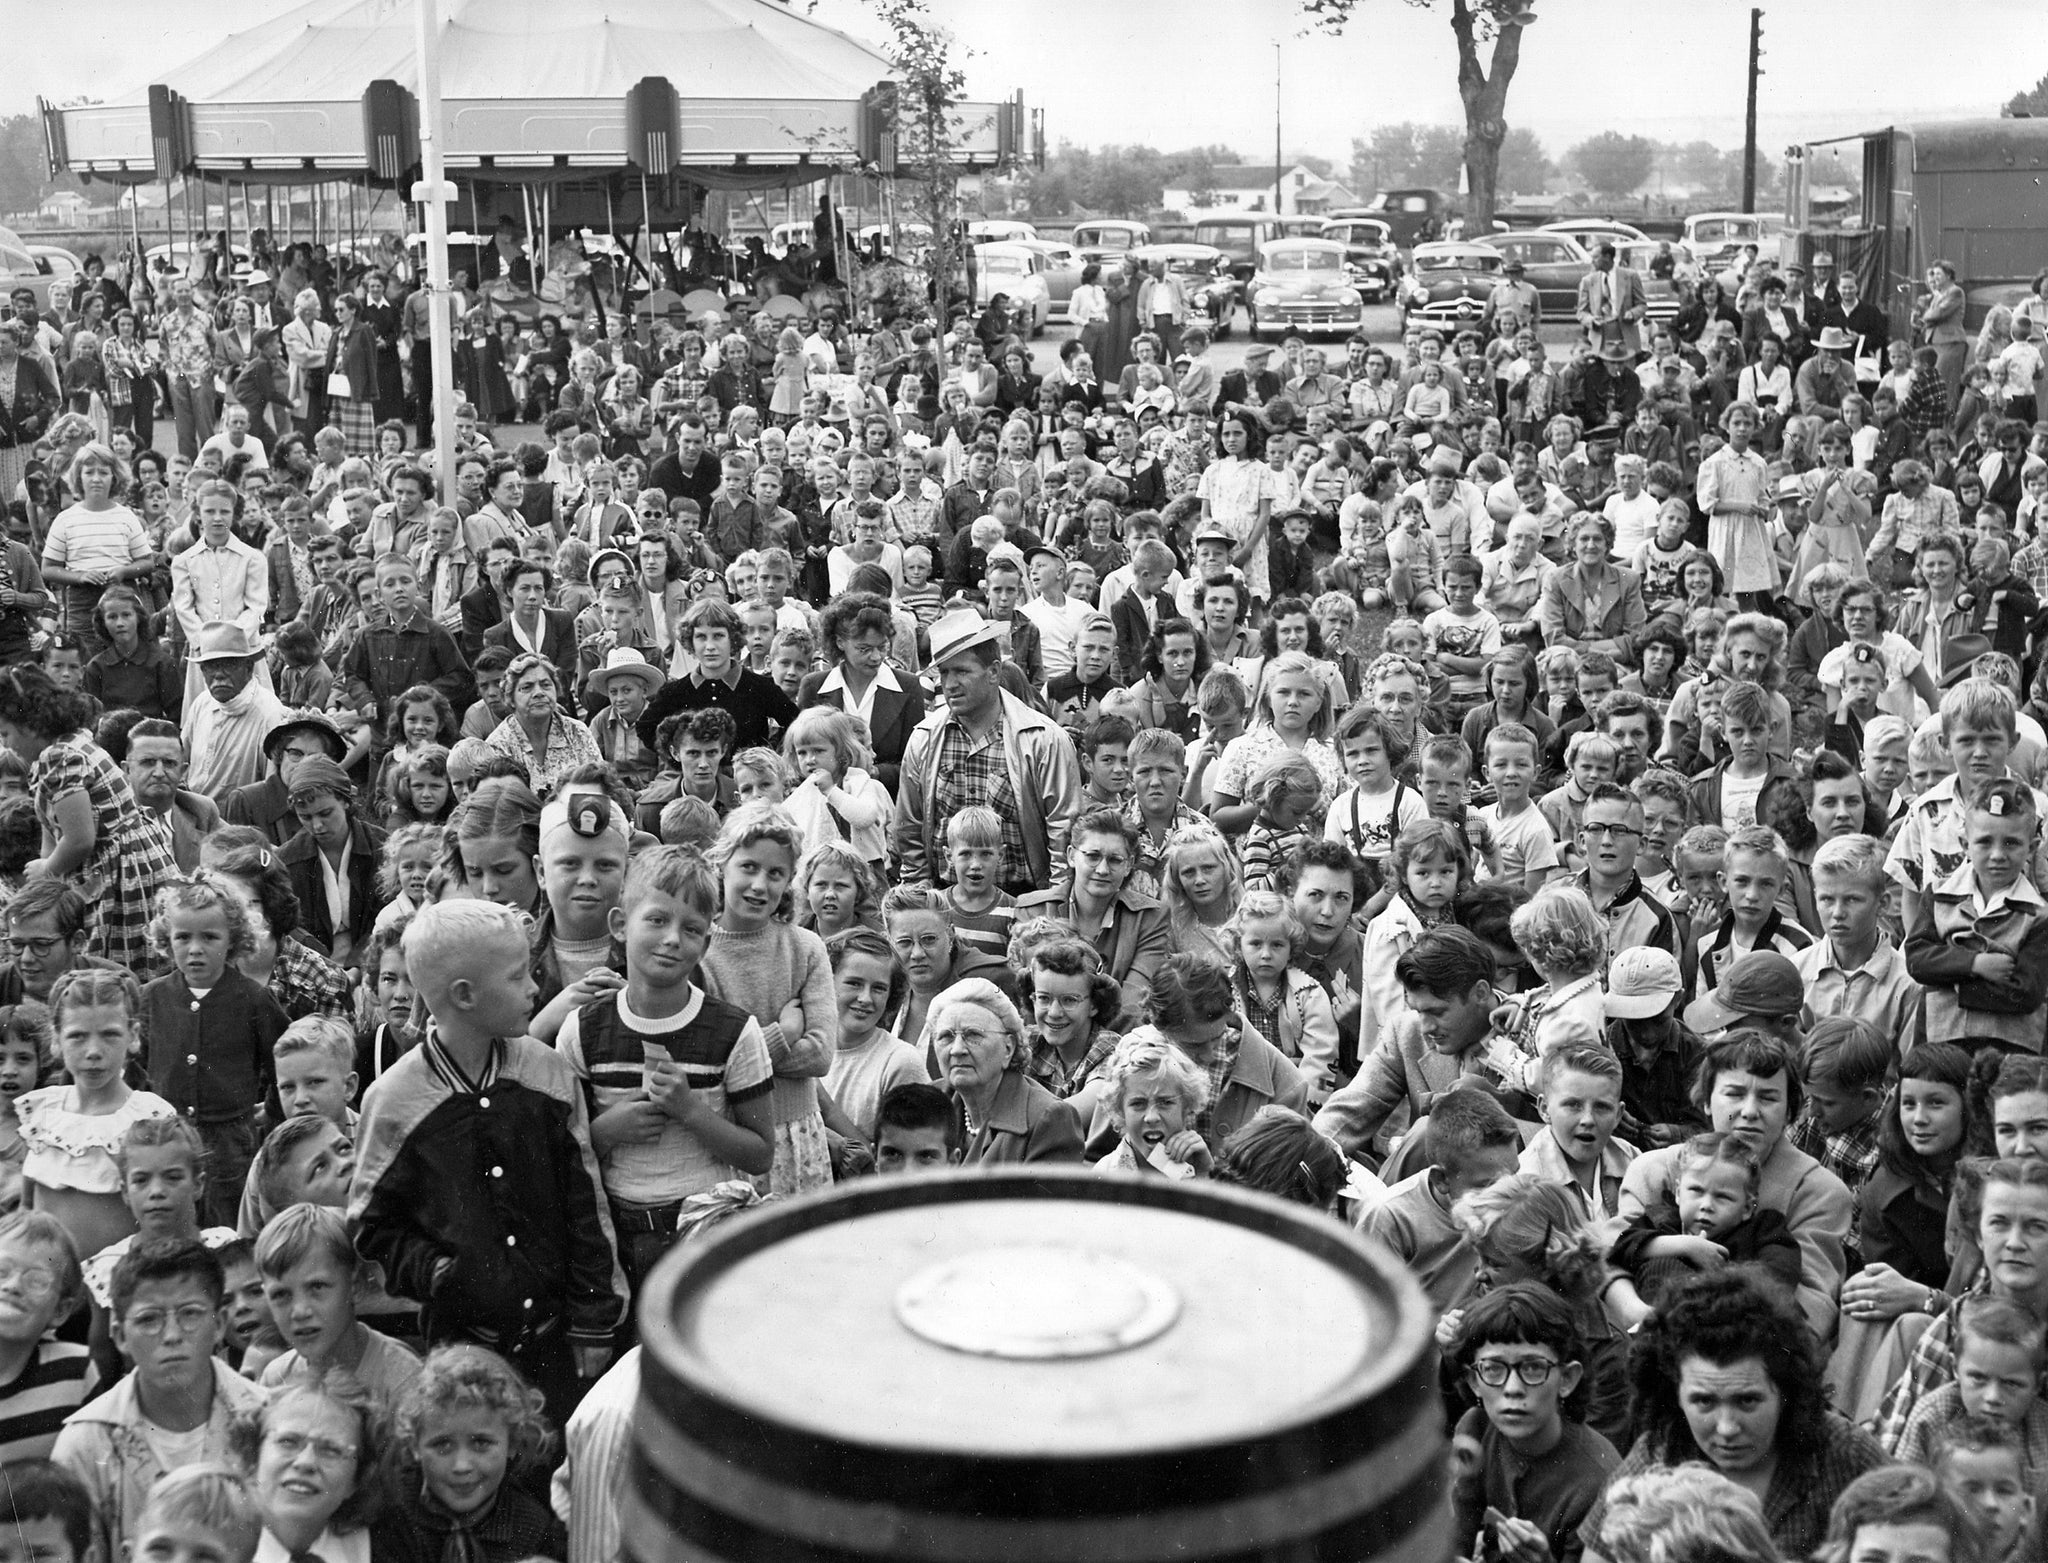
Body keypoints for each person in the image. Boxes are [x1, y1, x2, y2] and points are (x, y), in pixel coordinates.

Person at [349, 900, 625, 1419]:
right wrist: (438, 1273)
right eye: (519, 976)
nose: (534, 990)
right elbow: (371, 1225)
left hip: (558, 1343)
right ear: (465, 996)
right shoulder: (393, 1101)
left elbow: (586, 1204)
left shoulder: (548, 1075)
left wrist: (595, 1318)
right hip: (460, 1349)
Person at [559, 845, 774, 1294]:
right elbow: (564, 1151)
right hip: (615, 1231)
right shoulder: (583, 1030)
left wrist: (690, 1111)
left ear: (706, 944)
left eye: (691, 928)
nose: (673, 938)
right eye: (657, 920)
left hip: (704, 1228)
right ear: (620, 925)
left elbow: (759, 1154)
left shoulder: (735, 1033)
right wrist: (608, 1130)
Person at [1579, 1267, 1886, 1561]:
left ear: (1785, 1392)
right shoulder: (1655, 1456)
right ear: (1675, 1395)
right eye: (1704, 1402)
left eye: (1748, 1401)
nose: (1726, 1428)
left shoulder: (1846, 1452)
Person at [1617, 1028, 1852, 1338]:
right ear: (1705, 1101)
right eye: (1734, 1094)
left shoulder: (1819, 1192)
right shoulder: (1655, 1169)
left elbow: (1811, 1306)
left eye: (1768, 1097)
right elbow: (1613, 1256)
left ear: (1789, 1112)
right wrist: (1638, 1312)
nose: (1750, 1111)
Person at [52, 1238, 269, 1549]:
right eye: (149, 1319)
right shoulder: (85, 1443)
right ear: (120, 1336)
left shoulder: (267, 1420)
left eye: (190, 1314)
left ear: (219, 1323)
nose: (171, 1335)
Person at [894, 609, 1083, 896]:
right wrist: (921, 901)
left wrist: (1054, 904)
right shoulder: (924, 738)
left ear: (994, 672)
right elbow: (910, 832)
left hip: (1024, 899)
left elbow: (1063, 834)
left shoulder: (1043, 739)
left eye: (962, 671)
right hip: (945, 899)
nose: (949, 684)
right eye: (944, 672)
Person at [138, 874, 286, 1229]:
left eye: (209, 937)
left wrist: (270, 1113)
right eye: (183, 937)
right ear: (167, 939)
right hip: (166, 1139)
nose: (195, 949)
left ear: (232, 939)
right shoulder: (152, 997)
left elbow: (283, 1064)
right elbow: (137, 1066)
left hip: (230, 1144)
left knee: (227, 1225)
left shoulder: (253, 999)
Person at [1449, 1282, 1621, 1563]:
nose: (1513, 1388)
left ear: (1567, 1379)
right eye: (1493, 1368)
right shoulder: (1477, 1428)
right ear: (1474, 1381)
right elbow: (1459, 1535)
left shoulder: (1599, 1480)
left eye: (1533, 1367)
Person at [372, 1344, 568, 1563]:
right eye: (443, 1445)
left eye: (481, 1443)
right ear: (414, 1446)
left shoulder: (530, 1527)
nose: (462, 1466)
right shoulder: (392, 1512)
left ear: (512, 1442)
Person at [252, 1203, 421, 1406]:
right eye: (280, 1294)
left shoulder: (401, 1378)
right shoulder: (276, 1378)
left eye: (317, 1287)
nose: (299, 1312)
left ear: (355, 1284)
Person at [227, 1376, 386, 1563]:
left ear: (359, 1477)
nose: (306, 1462)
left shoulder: (385, 1549)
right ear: (253, 1456)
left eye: (331, 1450)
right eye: (288, 1441)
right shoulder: (208, 1545)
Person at [0, 1210, 94, 1461]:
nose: (13, 1286)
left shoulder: (76, 1371)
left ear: (60, 1311)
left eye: (37, 1281)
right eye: (2, 1272)